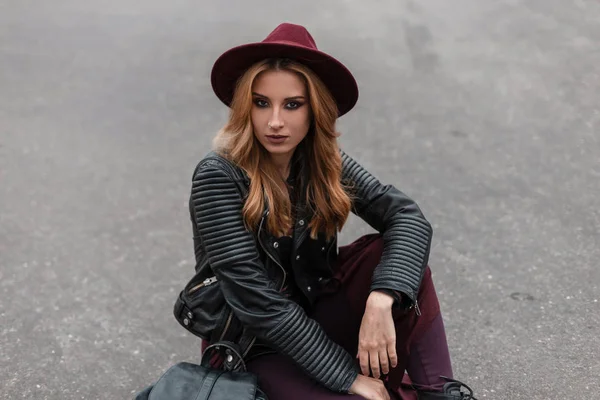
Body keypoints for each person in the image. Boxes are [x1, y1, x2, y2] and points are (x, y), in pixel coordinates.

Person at [178, 23, 477, 400]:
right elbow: (258, 303)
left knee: (397, 261)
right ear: (244, 107)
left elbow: (407, 218)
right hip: (252, 344)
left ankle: (440, 394)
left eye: (292, 104)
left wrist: (382, 298)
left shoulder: (322, 159)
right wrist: (348, 376)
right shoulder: (218, 175)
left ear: (314, 108)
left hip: (316, 315)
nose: (274, 121)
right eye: (260, 102)